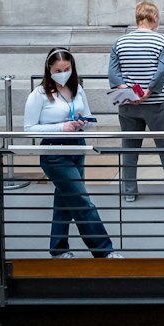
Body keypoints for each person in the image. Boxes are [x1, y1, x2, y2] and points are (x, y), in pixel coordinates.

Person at [23, 49, 120, 259]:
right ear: (49, 70)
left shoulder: (77, 89)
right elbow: (29, 129)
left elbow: (88, 116)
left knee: (65, 200)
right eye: (58, 70)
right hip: (54, 152)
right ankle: (104, 251)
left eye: (66, 69)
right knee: (82, 201)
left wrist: (82, 123)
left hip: (77, 146)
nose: (63, 74)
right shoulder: (38, 95)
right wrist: (61, 127)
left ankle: (58, 249)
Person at [108, 1, 164, 202]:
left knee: (129, 148)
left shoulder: (119, 42)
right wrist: (149, 91)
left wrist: (127, 91)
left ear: (137, 18)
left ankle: (129, 192)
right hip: (157, 102)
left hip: (127, 103)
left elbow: (113, 73)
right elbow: (161, 71)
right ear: (154, 17)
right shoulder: (162, 40)